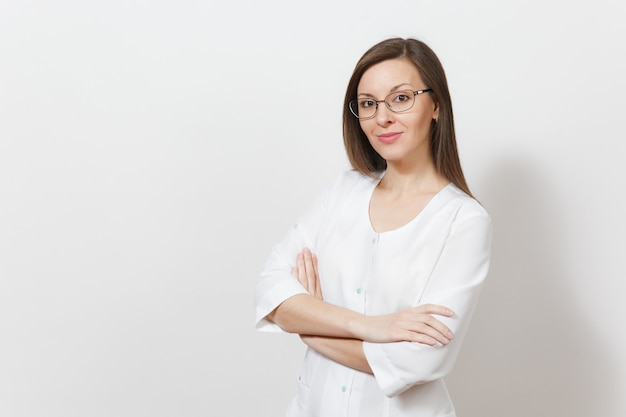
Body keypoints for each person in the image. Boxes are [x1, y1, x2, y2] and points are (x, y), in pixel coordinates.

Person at [254, 37, 492, 417]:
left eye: (401, 98)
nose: (382, 117)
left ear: (436, 106)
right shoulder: (342, 191)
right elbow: (272, 291)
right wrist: (371, 326)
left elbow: (423, 360)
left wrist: (311, 325)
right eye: (368, 103)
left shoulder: (463, 221)